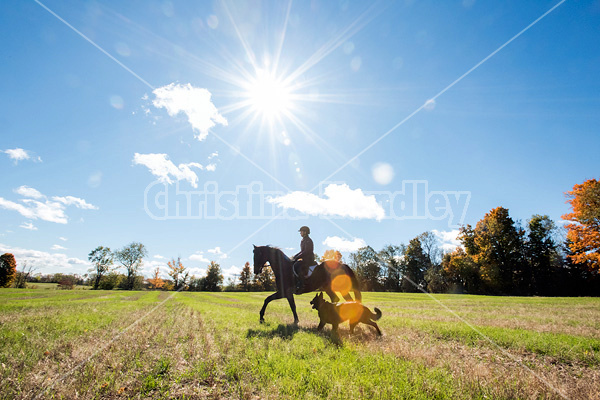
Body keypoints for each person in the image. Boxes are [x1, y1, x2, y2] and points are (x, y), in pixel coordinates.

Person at [293, 226, 315, 293]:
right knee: (294, 263)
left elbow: (306, 251)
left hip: (308, 258)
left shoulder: (308, 240)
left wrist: (297, 257)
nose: (300, 233)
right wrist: (295, 256)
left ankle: (302, 284)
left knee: (298, 265)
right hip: (304, 258)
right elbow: (302, 251)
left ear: (305, 232)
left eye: (301, 232)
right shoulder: (303, 240)